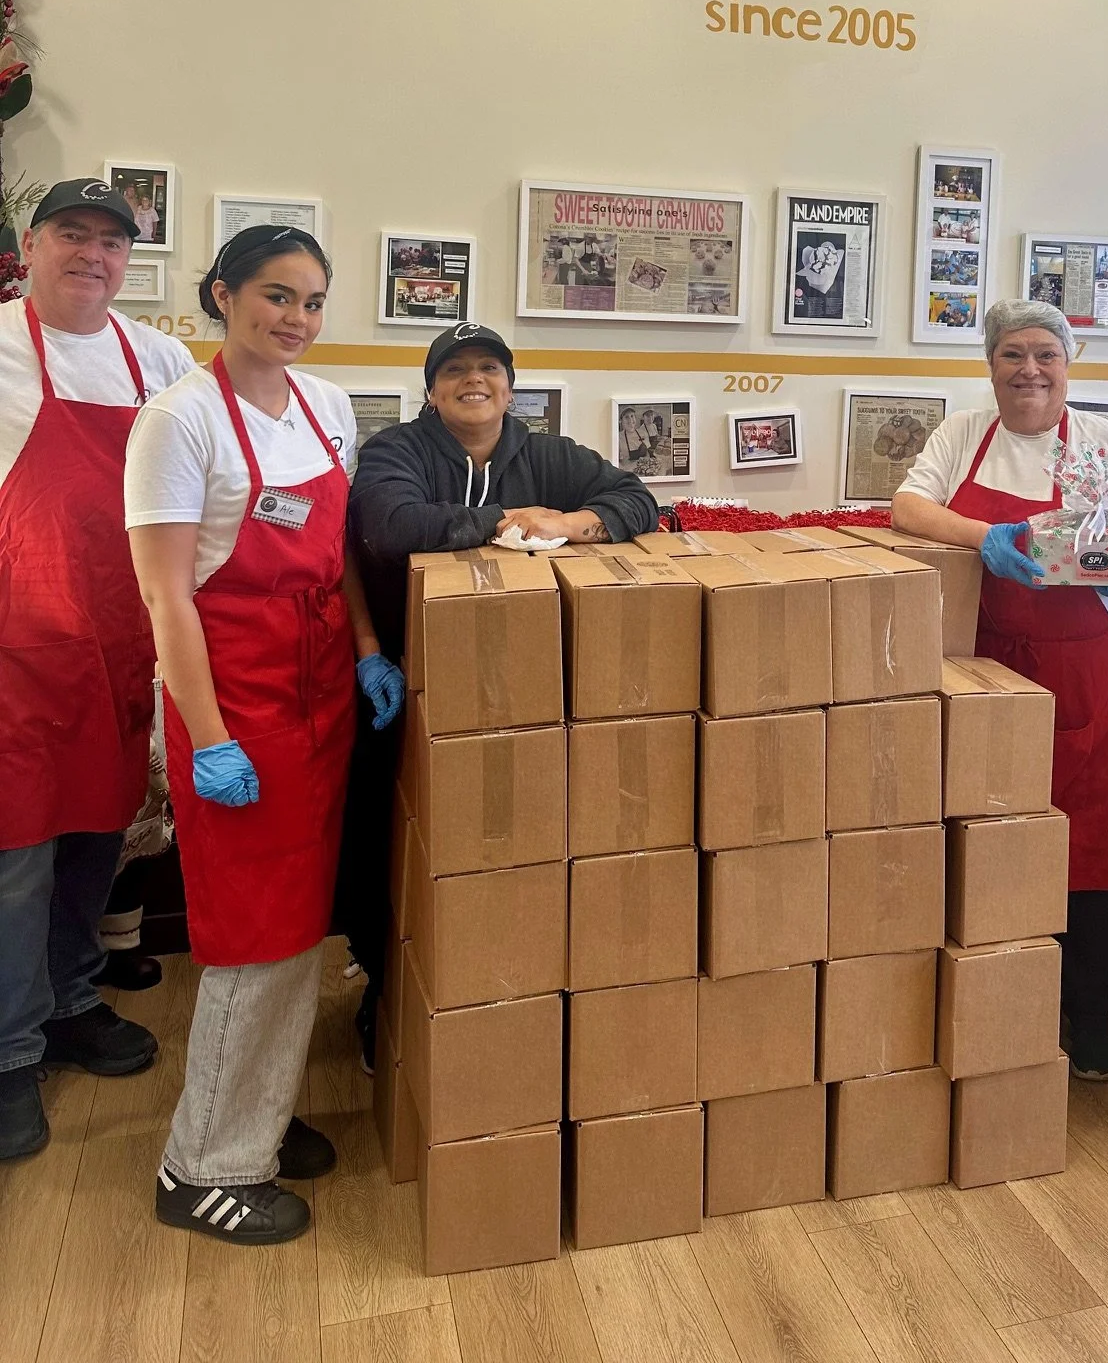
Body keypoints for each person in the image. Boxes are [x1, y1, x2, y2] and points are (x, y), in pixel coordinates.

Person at [125, 226, 402, 1246]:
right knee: (255, 935)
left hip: (320, 697)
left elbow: (335, 555)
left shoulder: (327, 406)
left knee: (298, 930)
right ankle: (203, 1167)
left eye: (313, 300)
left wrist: (367, 648)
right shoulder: (179, 419)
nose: (296, 317)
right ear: (223, 294)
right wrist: (207, 738)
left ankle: (259, 1119)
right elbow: (166, 596)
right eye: (276, 295)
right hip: (234, 706)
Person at [341, 321, 659, 1064]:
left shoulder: (546, 454)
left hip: (525, 694)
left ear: (511, 389)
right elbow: (390, 526)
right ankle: (384, 991)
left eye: (489, 368)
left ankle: (508, 995)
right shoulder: (396, 450)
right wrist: (505, 523)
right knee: (387, 846)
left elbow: (636, 499)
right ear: (431, 390)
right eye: (455, 370)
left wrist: (572, 521)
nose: (473, 381)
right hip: (401, 681)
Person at [892, 298, 1108, 1083]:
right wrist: (982, 537)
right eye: (1012, 354)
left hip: (1095, 679)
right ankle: (989, 1004)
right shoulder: (963, 434)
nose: (1029, 370)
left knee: (1087, 849)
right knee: (987, 838)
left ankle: (1086, 1012)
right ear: (990, 364)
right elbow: (908, 506)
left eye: (1045, 355)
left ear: (1068, 363)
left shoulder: (1106, 443)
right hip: (987, 670)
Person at [0, 180, 194, 1163]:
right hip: (16, 657)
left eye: (111, 242)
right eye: (72, 234)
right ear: (31, 247)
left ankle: (71, 999)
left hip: (117, 650)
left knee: (95, 838)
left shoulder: (157, 359)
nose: (92, 254)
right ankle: (7, 1052)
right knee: (15, 861)